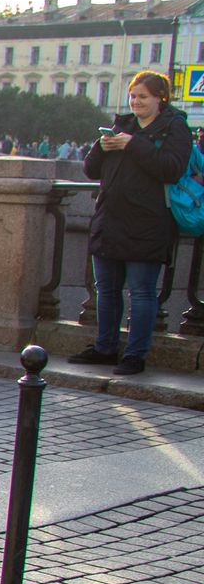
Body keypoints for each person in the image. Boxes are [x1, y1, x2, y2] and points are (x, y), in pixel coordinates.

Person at [70, 72, 192, 377]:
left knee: (141, 292)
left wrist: (133, 145)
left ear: (160, 98)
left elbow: (171, 169)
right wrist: (102, 146)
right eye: (133, 96)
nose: (136, 102)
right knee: (106, 289)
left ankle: (135, 355)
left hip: (148, 223)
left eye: (143, 97)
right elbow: (90, 169)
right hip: (110, 219)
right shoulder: (121, 125)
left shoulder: (175, 128)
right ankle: (105, 347)